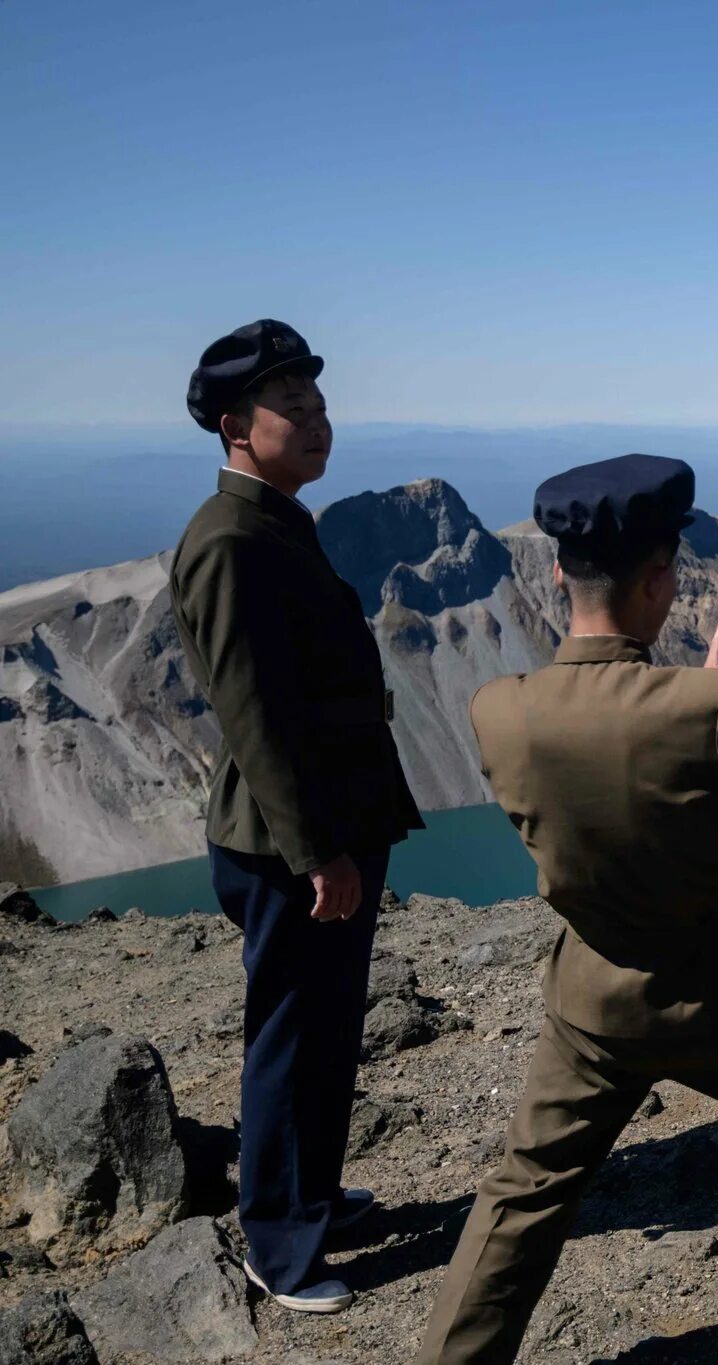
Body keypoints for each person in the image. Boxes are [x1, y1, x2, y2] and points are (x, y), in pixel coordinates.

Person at [414, 454, 718, 1365]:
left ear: (557, 572)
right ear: (662, 580)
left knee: (524, 1192)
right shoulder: (705, 704)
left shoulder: (497, 710)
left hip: (593, 1004)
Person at [171, 319, 425, 1312]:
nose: (319, 423)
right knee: (289, 1033)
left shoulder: (274, 520)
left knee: (326, 1025)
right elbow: (254, 714)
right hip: (292, 841)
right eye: (294, 408)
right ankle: (276, 1246)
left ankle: (312, 1197)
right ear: (237, 425)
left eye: (320, 406)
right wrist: (316, 851)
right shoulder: (230, 539)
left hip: (330, 822)